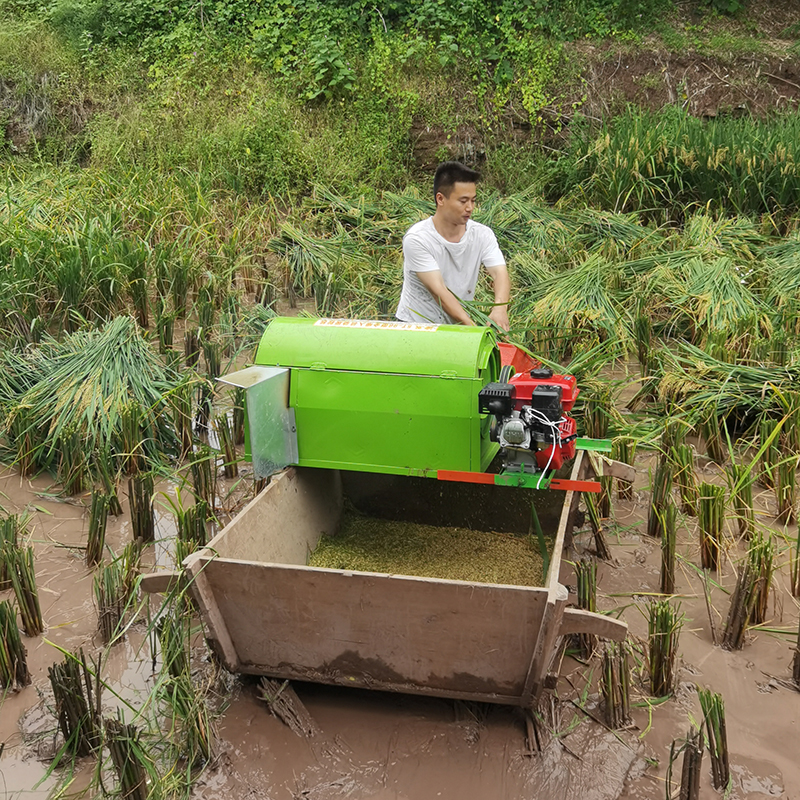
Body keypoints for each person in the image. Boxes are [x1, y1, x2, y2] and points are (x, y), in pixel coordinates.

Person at [395, 161, 510, 330]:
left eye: (473, 200)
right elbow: (439, 291)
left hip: (456, 326)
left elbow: (499, 272)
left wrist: (500, 309)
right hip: (417, 327)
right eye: (463, 201)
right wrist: (472, 328)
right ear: (440, 199)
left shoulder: (482, 234)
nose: (470, 208)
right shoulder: (418, 239)